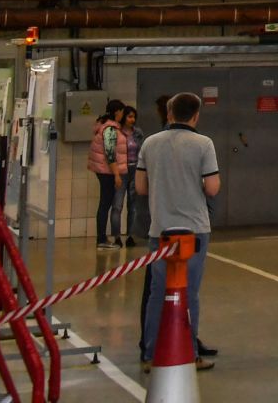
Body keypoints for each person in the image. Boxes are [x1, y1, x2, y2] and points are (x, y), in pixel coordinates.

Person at [136, 92, 221, 370]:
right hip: (194, 229)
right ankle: (188, 352)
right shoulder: (203, 144)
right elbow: (212, 187)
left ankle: (150, 355)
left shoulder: (150, 143)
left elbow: (140, 187)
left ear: (169, 114)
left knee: (158, 292)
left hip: (160, 228)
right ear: (196, 115)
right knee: (189, 293)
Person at [89, 100, 127, 249]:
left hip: (104, 170)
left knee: (105, 204)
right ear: (117, 112)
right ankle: (102, 239)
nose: (123, 115)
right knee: (105, 204)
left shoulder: (106, 126)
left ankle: (102, 238)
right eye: (122, 112)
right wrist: (117, 174)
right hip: (107, 172)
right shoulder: (110, 129)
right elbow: (110, 153)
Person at [119, 106, 145, 246]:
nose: (132, 119)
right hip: (122, 169)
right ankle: (117, 237)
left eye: (134, 117)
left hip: (135, 168)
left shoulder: (138, 133)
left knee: (133, 205)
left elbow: (142, 149)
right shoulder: (117, 132)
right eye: (129, 116)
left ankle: (130, 235)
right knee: (118, 204)